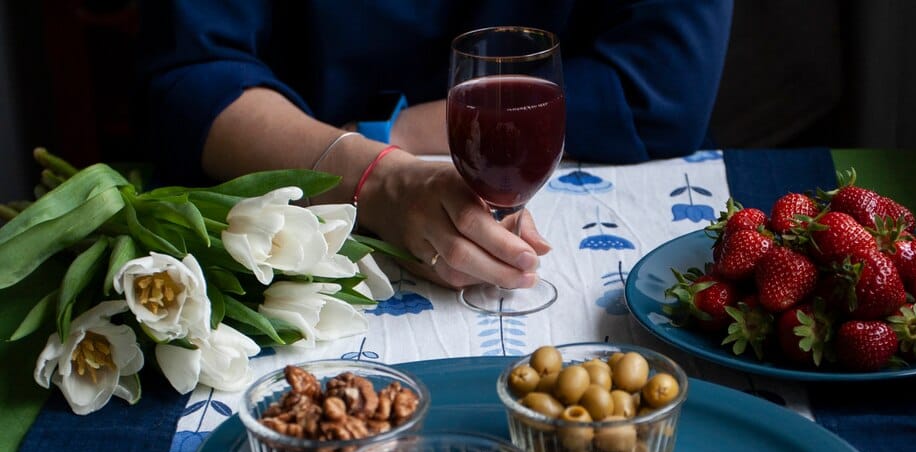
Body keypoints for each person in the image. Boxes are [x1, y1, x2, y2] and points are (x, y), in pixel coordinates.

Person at [134, 1, 734, 290]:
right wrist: (375, 177)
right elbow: (190, 77)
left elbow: (664, 87)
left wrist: (396, 136)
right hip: (303, 220)